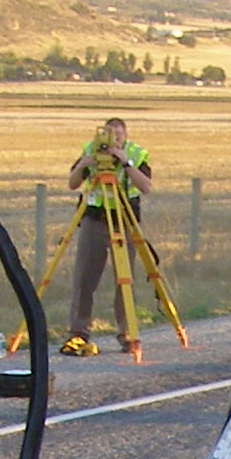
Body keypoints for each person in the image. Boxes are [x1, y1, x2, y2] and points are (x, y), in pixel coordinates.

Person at [63, 118, 150, 355]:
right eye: (110, 136)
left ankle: (128, 334)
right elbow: (72, 183)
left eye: (118, 136)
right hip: (94, 220)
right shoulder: (90, 151)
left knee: (125, 281)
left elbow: (146, 187)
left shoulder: (136, 154)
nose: (113, 141)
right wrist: (83, 164)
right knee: (84, 280)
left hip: (125, 221)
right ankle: (78, 334)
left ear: (125, 136)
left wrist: (126, 162)